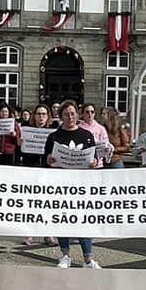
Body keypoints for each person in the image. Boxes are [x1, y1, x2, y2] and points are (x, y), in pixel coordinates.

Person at [47, 101, 103, 268]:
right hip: (61, 183)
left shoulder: (86, 135)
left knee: (83, 219)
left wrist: (94, 163)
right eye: (66, 114)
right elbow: (46, 158)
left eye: (72, 113)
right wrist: (49, 159)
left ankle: (88, 258)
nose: (70, 117)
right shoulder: (54, 136)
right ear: (61, 116)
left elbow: (94, 157)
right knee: (63, 218)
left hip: (81, 184)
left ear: (77, 115)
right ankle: (65, 255)